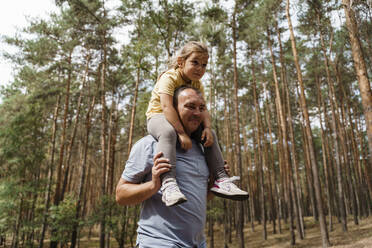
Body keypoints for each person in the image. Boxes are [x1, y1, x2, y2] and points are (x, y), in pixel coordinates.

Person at [116, 86, 242, 248]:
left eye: (201, 108)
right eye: (190, 106)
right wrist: (154, 185)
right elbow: (121, 195)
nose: (197, 113)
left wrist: (213, 184)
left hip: (197, 244)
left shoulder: (203, 149)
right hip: (158, 242)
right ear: (173, 110)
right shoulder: (149, 144)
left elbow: (200, 197)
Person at [145, 41, 248, 206]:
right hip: (158, 116)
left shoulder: (197, 83)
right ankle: (168, 183)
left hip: (179, 119)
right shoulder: (170, 77)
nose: (200, 68)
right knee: (168, 132)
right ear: (181, 62)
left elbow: (204, 109)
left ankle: (221, 179)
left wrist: (207, 128)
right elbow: (166, 106)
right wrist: (181, 133)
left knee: (210, 135)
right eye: (195, 62)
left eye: (204, 65)